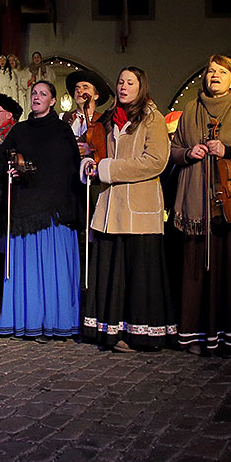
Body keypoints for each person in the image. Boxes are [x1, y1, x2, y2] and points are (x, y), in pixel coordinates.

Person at [172, 55, 231, 355]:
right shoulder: (191, 109)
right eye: (211, 71)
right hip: (196, 203)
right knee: (196, 270)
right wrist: (189, 153)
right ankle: (196, 334)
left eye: (222, 72)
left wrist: (227, 150)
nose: (214, 75)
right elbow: (173, 152)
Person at [79, 67, 173, 352]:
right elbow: (97, 152)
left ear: (140, 86)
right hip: (111, 209)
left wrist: (108, 169)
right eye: (120, 81)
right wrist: (89, 162)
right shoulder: (109, 119)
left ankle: (139, 333)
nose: (123, 86)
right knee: (112, 272)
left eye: (130, 82)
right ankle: (110, 330)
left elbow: (155, 161)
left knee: (137, 273)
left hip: (139, 207)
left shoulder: (152, 119)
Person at [0, 80, 83, 339]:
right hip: (26, 211)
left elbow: (70, 170)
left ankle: (56, 322)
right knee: (29, 272)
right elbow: (0, 161)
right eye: (34, 93)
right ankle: (26, 320)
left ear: (53, 100)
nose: (37, 97)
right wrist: (8, 170)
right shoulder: (19, 131)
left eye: (43, 94)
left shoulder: (63, 130)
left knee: (54, 273)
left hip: (55, 214)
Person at [63, 68, 110, 159]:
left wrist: (91, 149)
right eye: (77, 88)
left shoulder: (103, 121)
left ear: (96, 95)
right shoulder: (63, 118)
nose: (79, 91)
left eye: (85, 87)